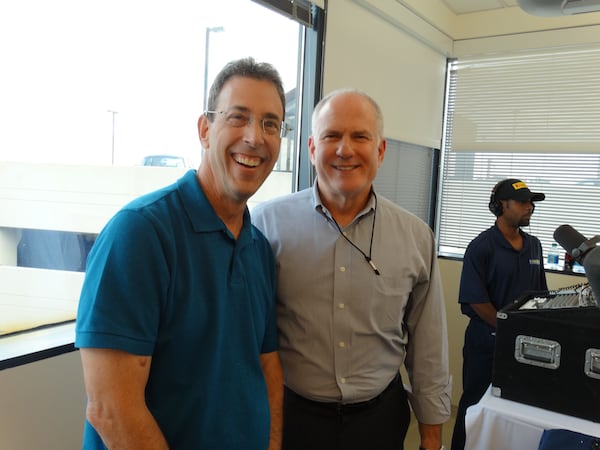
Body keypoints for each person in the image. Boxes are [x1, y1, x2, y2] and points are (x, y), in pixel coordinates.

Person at [75, 57, 286, 450]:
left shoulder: (257, 249)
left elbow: (267, 367)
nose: (255, 137)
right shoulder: (140, 233)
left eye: (270, 123)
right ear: (205, 130)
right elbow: (111, 409)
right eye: (238, 117)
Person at [252, 88, 451, 450]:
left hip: (379, 422)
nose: (345, 149)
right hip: (293, 419)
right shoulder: (266, 226)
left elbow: (428, 346)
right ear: (312, 148)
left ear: (381, 150)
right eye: (332, 136)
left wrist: (432, 436)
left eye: (360, 136)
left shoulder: (415, 237)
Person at [450, 178, 547, 450]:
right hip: (486, 344)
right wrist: (509, 330)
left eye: (532, 202)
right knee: (474, 405)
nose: (530, 207)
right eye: (523, 202)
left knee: (514, 412)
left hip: (524, 347)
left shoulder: (534, 246)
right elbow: (476, 301)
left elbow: (539, 295)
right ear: (501, 205)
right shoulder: (481, 247)